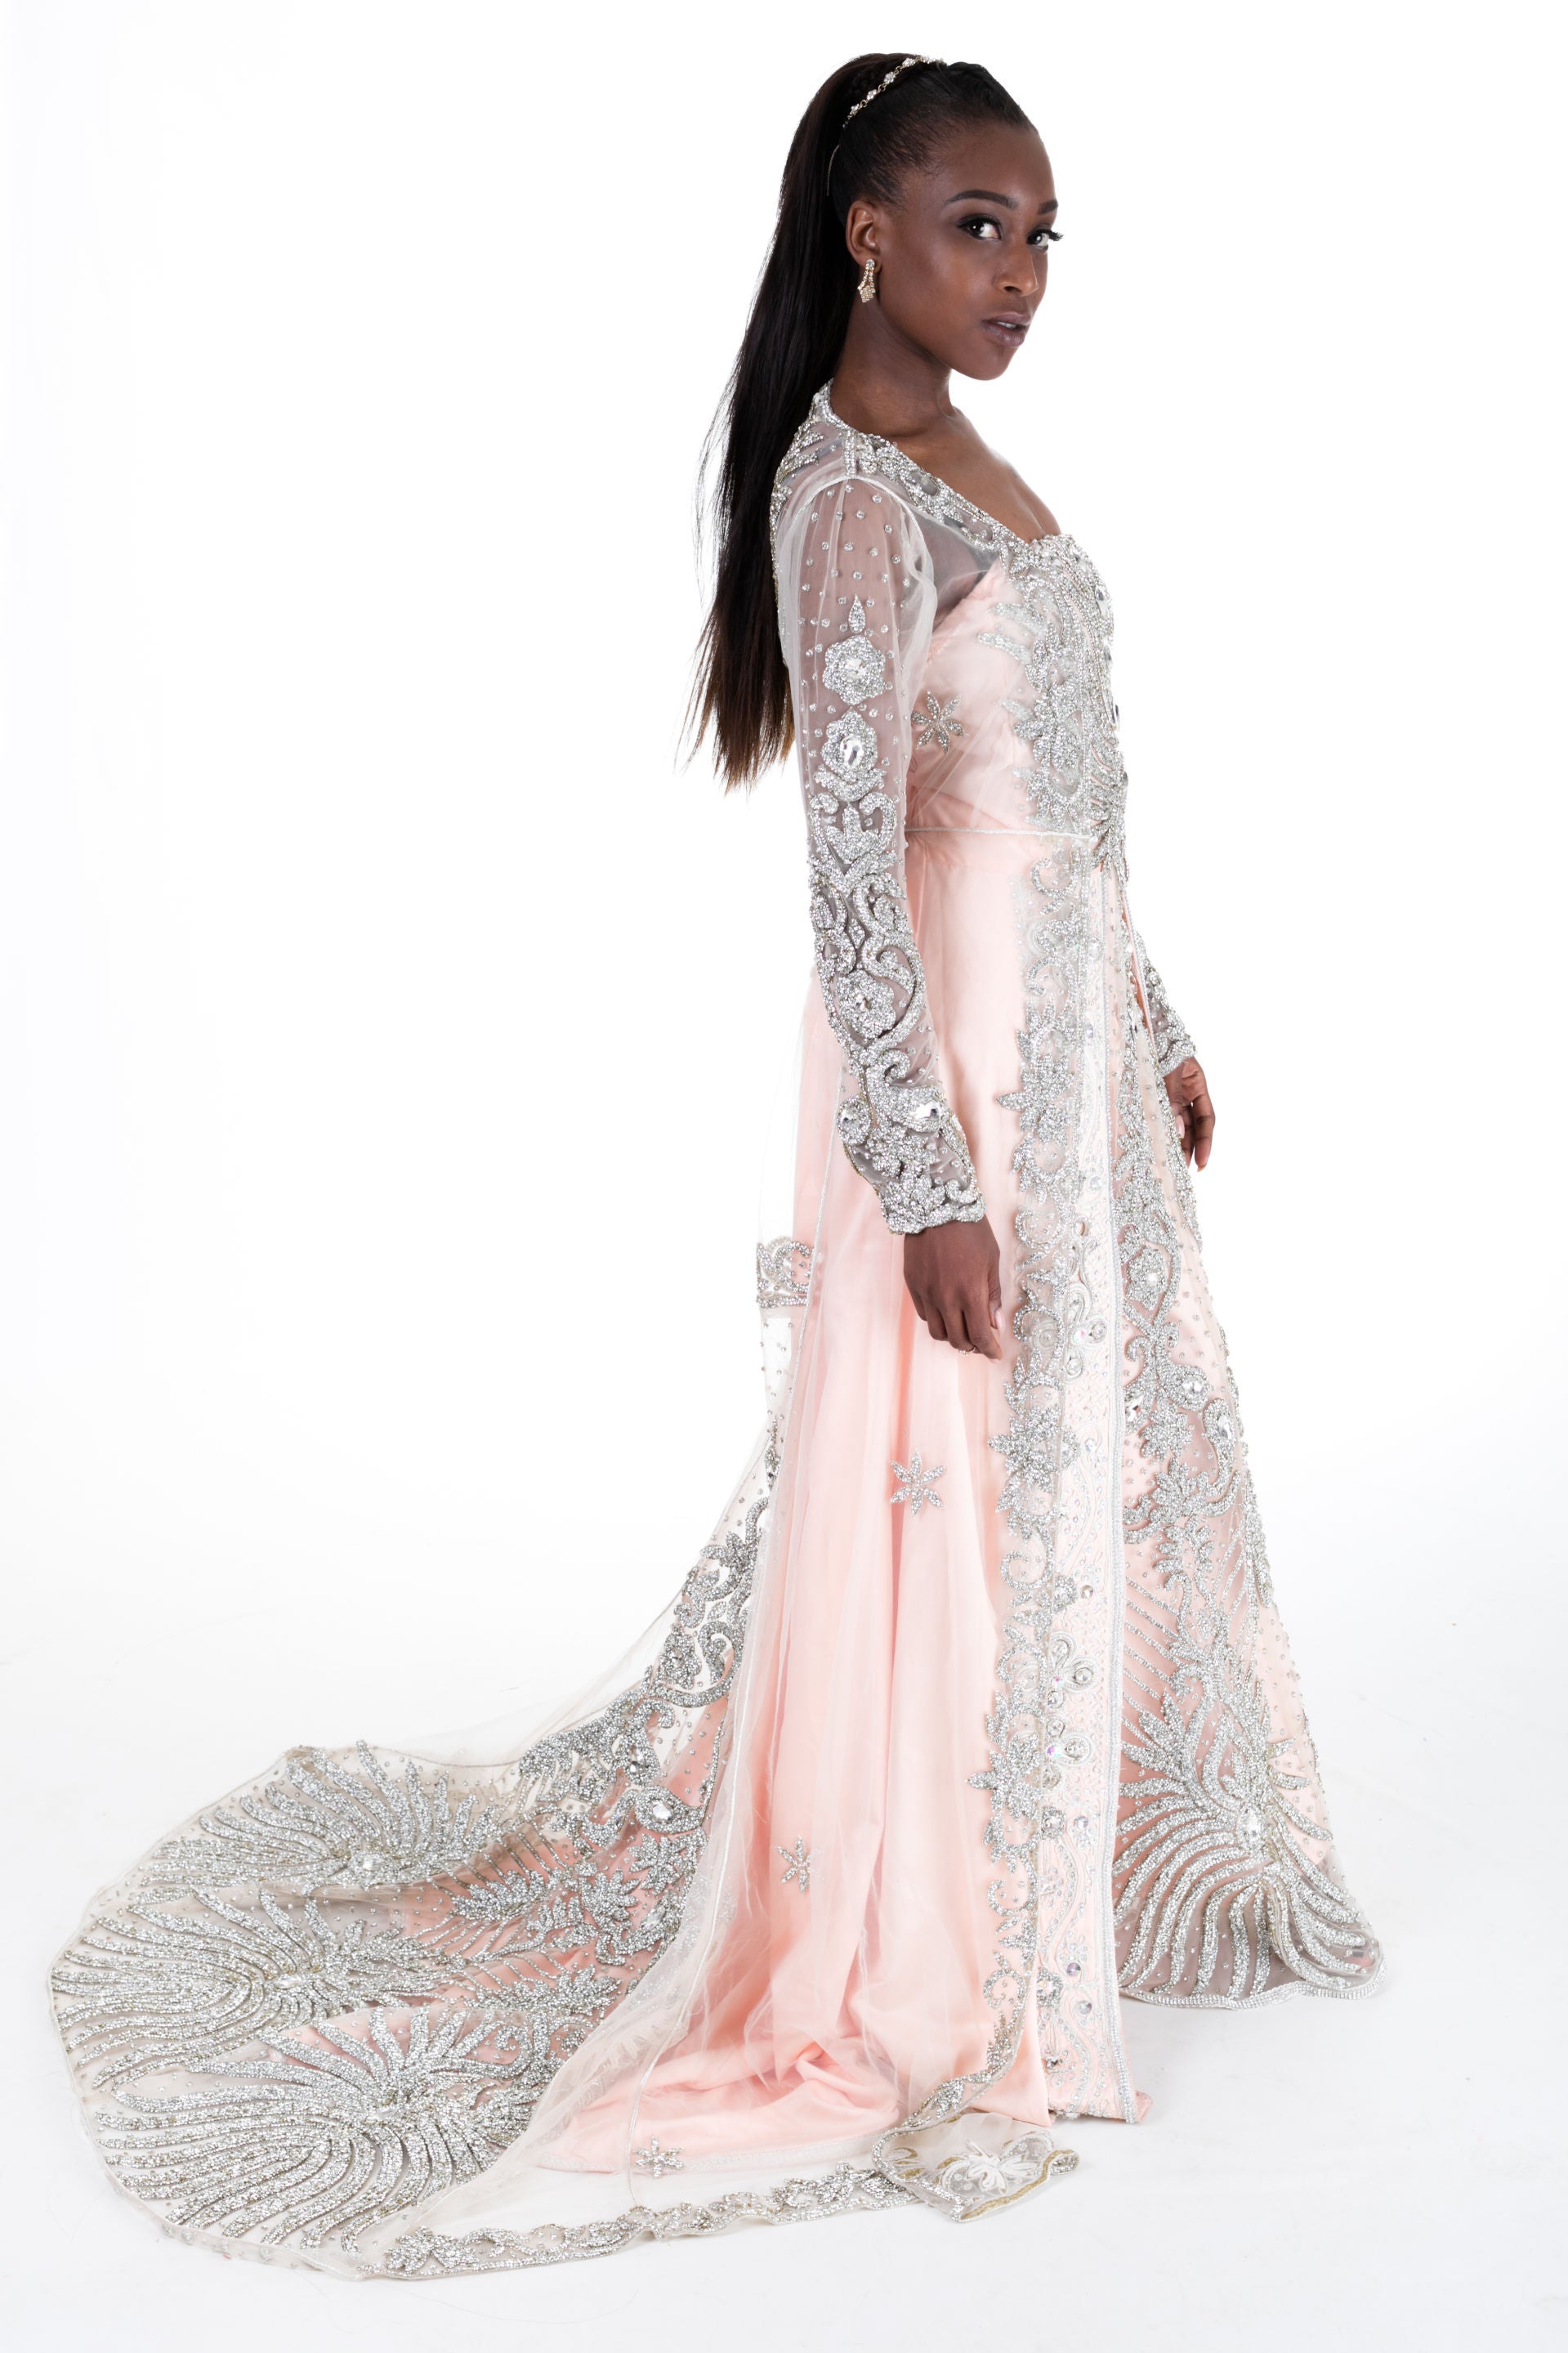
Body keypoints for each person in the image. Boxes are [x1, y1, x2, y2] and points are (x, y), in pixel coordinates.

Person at [49, 53, 1380, 2280]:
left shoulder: (973, 461)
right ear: (867, 232)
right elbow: (851, 867)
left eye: (1045, 235)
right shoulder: (849, 493)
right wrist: (923, 1176)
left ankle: (1027, 1884)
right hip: (955, 1082)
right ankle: (924, 1942)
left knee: (1048, 1476)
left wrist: (1153, 1018)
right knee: (944, 1486)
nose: (1023, 275)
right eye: (979, 225)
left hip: (1059, 1059)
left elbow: (1061, 800)